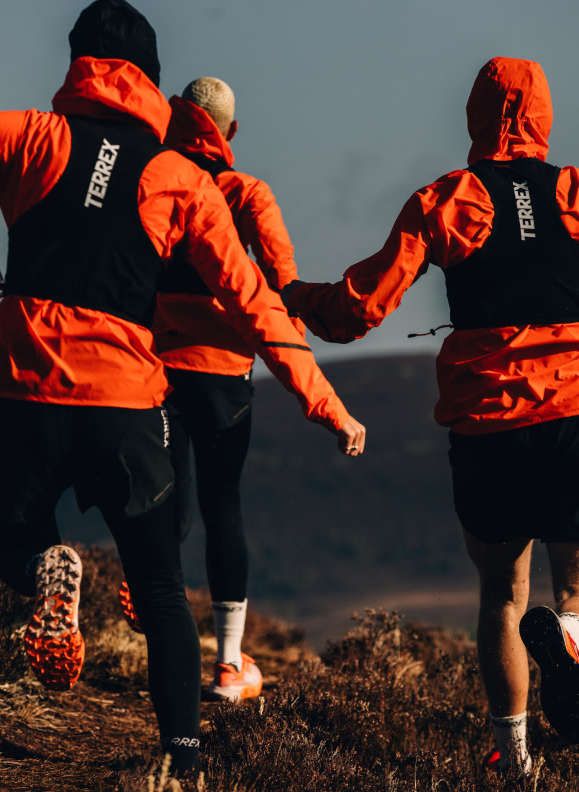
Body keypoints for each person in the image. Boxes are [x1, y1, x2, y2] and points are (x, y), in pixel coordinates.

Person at [0, 0, 364, 783]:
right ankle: (183, 764)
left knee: (16, 538)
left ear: (76, 63)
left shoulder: (27, 134)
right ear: (153, 84)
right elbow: (261, 303)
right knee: (159, 587)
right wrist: (326, 402)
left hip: (17, 385)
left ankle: (42, 570)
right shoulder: (181, 180)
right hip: (123, 398)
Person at [282, 57, 579, 777]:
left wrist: (290, 294)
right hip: (575, 404)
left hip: (489, 422)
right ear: (542, 114)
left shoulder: (447, 199)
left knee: (501, 593)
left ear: (477, 117)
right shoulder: (574, 190)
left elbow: (361, 308)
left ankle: (515, 760)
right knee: (573, 580)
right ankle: (570, 635)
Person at [144, 76, 308, 701]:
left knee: (165, 502)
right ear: (230, 131)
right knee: (224, 509)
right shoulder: (248, 194)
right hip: (225, 376)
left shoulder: (152, 178)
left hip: (156, 368)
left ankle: (166, 643)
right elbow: (282, 283)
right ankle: (229, 665)